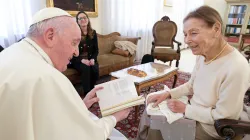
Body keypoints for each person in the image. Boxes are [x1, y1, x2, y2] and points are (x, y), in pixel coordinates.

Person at [0, 7, 131, 140]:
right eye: (74, 43)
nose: (76, 52)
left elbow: (44, 117)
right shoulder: (48, 77)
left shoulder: (10, 53)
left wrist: (80, 105)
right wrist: (115, 117)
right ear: (50, 36)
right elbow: (85, 135)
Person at [137, 6, 250, 140]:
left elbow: (223, 117)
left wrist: (185, 109)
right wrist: (168, 93)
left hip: (210, 127)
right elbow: (191, 85)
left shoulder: (237, 66)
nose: (186, 40)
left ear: (216, 29)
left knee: (156, 127)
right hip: (194, 110)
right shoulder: (203, 54)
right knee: (151, 108)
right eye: (185, 34)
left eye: (193, 33)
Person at [68, 11, 99, 96]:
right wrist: (82, 60)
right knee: (86, 68)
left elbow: (96, 50)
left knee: (94, 67)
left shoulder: (93, 33)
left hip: (89, 58)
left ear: (88, 19)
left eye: (84, 17)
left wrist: (93, 59)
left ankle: (92, 89)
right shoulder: (74, 34)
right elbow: (71, 52)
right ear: (77, 21)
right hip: (77, 60)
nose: (83, 20)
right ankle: (87, 93)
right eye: (80, 18)